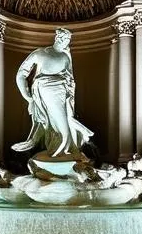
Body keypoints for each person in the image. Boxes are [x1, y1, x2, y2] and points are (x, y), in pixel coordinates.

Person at [12, 27, 93, 159]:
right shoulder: (40, 53)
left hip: (63, 92)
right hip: (46, 89)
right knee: (60, 122)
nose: (66, 42)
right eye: (65, 38)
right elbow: (21, 74)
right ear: (58, 38)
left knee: (64, 120)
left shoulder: (66, 57)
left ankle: (64, 149)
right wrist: (28, 97)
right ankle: (60, 150)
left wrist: (70, 93)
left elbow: (70, 77)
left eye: (68, 40)